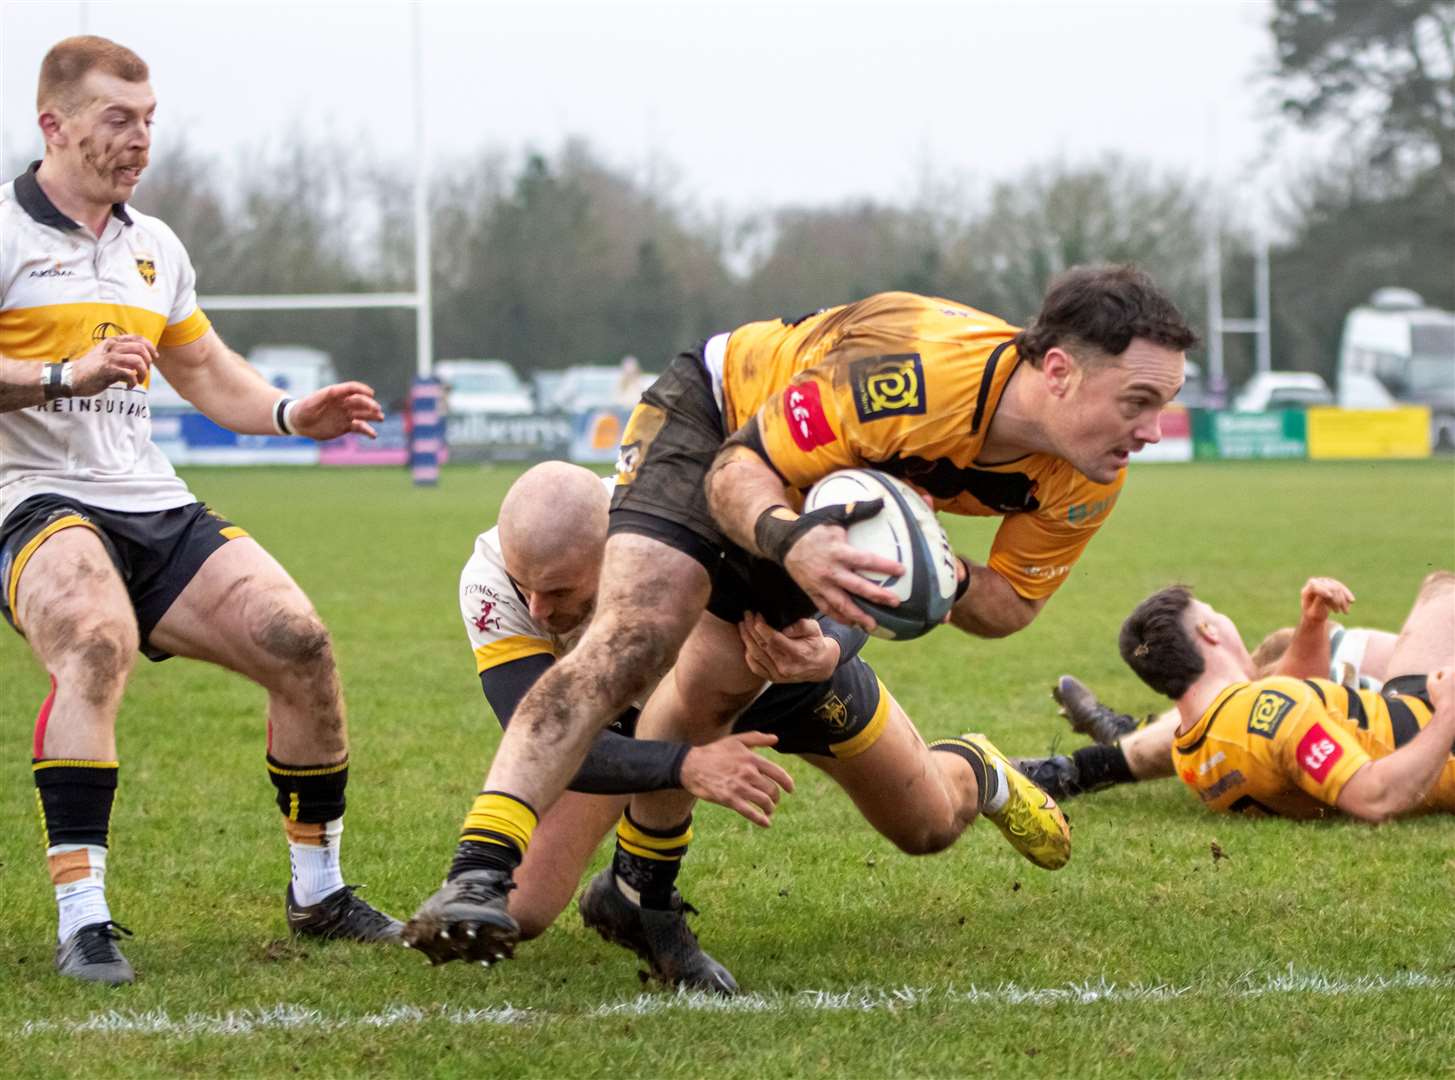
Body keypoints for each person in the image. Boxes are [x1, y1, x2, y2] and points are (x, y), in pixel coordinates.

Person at [404, 268, 1196, 971]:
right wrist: (789, 543)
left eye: (1162, 404)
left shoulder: (1086, 478)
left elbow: (1010, 606)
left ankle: (967, 770)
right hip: (719, 424)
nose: (1152, 430)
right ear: (1057, 371)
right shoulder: (913, 373)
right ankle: (484, 869)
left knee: (902, 811)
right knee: (635, 640)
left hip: (815, 506)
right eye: (1137, 401)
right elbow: (739, 472)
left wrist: (942, 579)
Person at [0, 37, 398, 985]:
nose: (140, 140)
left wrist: (292, 413)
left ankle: (319, 894)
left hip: (150, 499)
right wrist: (64, 375)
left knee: (298, 640)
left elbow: (206, 369)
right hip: (29, 498)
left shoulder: (154, 248)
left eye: (148, 121)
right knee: (97, 639)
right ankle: (84, 919)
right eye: (117, 120)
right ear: (54, 125)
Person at [407, 462, 1068, 992]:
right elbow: (550, 741)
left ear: (619, 549)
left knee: (927, 827)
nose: (538, 607)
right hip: (620, 713)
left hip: (784, 680)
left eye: (559, 590)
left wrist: (828, 649)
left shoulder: (686, 523)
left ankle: (976, 768)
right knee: (518, 912)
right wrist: (684, 766)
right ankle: (638, 898)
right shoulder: (493, 578)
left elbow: (857, 584)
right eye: (527, 587)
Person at [1116, 573, 1454, 820]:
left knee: (1442, 590)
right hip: (1433, 741)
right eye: (1215, 613)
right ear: (1210, 632)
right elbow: (1377, 797)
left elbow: (1294, 723)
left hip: (1403, 714)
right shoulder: (1273, 714)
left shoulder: (1190, 752)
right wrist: (1447, 714)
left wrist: (1312, 624)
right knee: (1444, 590)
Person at [1017, 614, 1399, 800]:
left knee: (1253, 700)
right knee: (1283, 643)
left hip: (1400, 696)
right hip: (1387, 662)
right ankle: (1140, 733)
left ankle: (1077, 770)